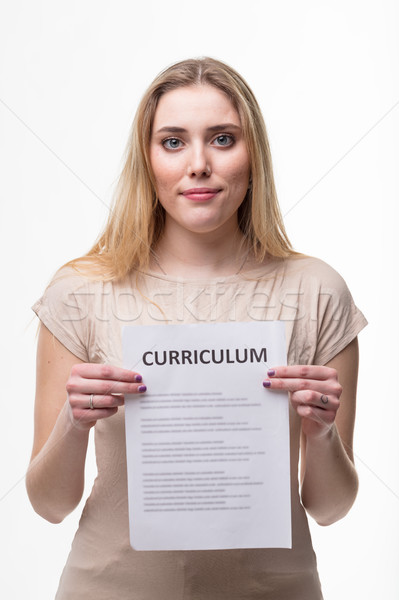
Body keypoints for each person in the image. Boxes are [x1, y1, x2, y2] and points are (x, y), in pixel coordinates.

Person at [26, 57, 367, 599]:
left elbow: (330, 508)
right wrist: (74, 422)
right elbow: (48, 505)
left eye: (223, 139)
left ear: (253, 157)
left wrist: (321, 432)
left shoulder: (318, 291)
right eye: (173, 141)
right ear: (148, 159)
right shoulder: (81, 291)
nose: (199, 164)